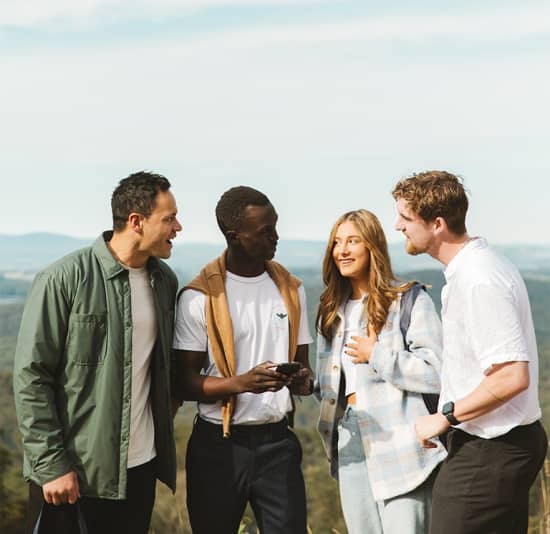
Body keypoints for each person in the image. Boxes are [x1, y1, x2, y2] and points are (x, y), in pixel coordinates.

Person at [13, 171, 183, 534]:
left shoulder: (164, 281)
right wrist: (51, 465)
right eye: (169, 219)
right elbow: (32, 377)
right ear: (136, 222)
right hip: (72, 475)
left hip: (139, 470)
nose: (178, 227)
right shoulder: (63, 278)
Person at [392, 170, 547, 534]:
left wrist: (445, 417)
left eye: (405, 217)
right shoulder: (473, 270)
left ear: (438, 224)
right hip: (495, 446)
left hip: (491, 449)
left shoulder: (480, 277)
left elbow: (512, 375)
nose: (397, 225)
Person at [172, 185, 313, 534]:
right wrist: (241, 384)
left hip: (279, 444)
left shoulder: (292, 290)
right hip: (217, 447)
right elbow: (183, 382)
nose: (275, 237)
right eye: (265, 231)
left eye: (275, 226)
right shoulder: (198, 297)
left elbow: (306, 374)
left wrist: (302, 381)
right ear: (234, 237)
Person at [315, 209, 445, 534]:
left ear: (372, 245)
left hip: (403, 442)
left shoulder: (409, 300)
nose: (341, 250)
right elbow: (332, 387)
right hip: (350, 439)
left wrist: (377, 355)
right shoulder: (332, 310)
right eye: (336, 242)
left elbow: (437, 372)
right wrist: (306, 383)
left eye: (352, 241)